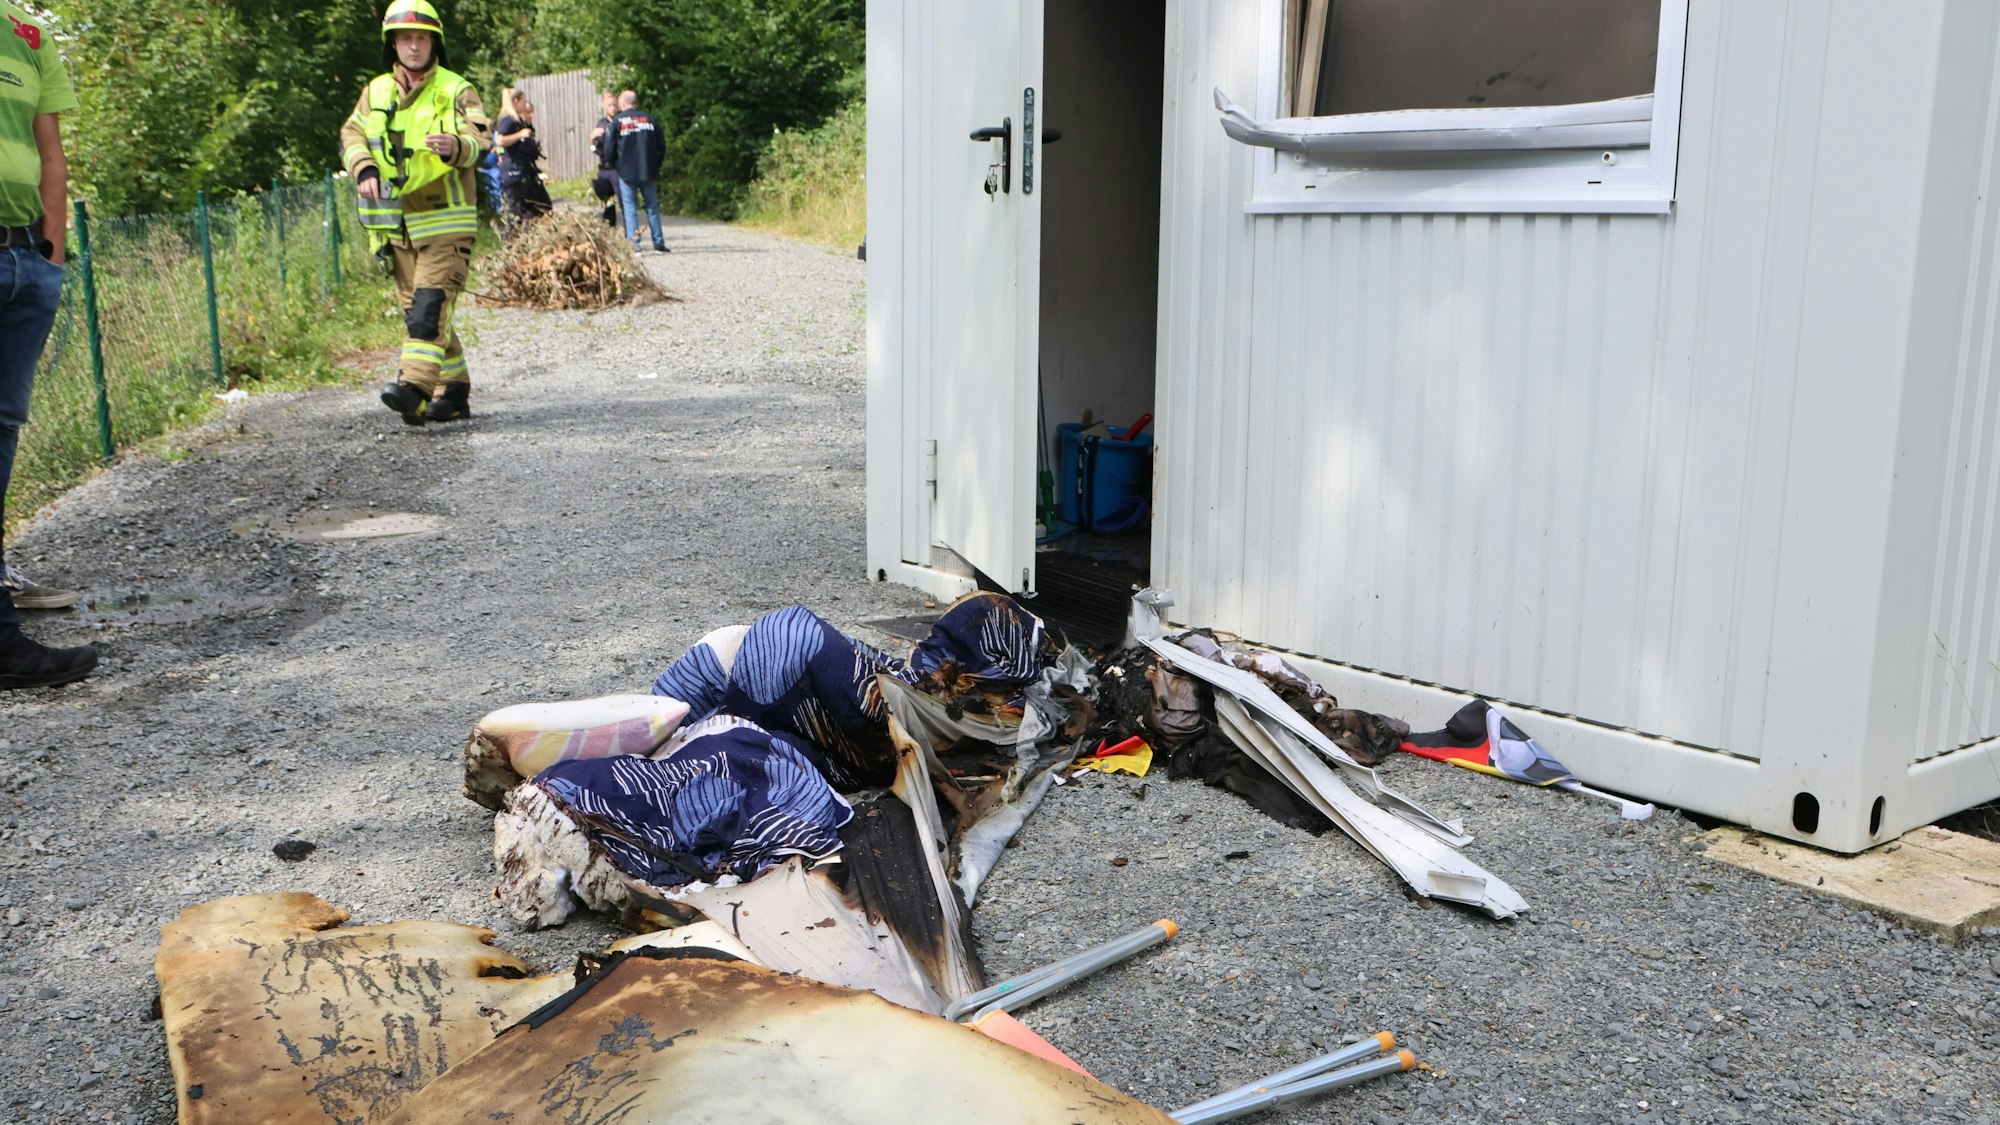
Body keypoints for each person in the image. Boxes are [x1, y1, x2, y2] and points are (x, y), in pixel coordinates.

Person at [0, 2, 96, 689]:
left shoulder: (25, 33)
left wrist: (49, 258)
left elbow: (50, 151)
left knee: (2, 431)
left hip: (22, 261)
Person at [339, 0, 491, 425]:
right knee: (425, 314)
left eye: (421, 38)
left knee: (428, 308)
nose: (413, 46)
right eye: (405, 38)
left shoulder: (457, 88)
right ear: (393, 44)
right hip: (397, 226)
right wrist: (363, 167)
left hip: (446, 225)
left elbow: (482, 138)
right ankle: (454, 390)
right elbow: (352, 133)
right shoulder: (376, 91)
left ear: (433, 42)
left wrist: (457, 146)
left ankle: (414, 389)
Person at [608, 90, 667, 253]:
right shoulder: (650, 119)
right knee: (652, 207)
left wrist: (614, 164)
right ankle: (659, 243)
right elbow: (662, 146)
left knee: (629, 207)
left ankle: (635, 244)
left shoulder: (618, 121)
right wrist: (656, 164)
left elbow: (609, 147)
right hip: (648, 170)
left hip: (626, 172)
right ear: (636, 102)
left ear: (622, 104)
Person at [493, 87, 552, 230]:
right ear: (515, 101)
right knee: (517, 212)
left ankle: (533, 237)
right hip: (514, 172)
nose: (525, 106)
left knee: (539, 206)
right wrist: (520, 134)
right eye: (523, 102)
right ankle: (512, 242)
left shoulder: (518, 121)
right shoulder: (508, 120)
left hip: (525, 171)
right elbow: (500, 140)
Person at [588, 91, 620, 228]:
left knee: (625, 202)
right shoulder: (601, 124)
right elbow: (595, 148)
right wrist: (592, 138)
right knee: (607, 202)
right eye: (609, 105)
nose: (612, 108)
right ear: (604, 106)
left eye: (614, 104)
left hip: (618, 168)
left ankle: (631, 233)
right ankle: (609, 229)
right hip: (605, 168)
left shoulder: (622, 121)